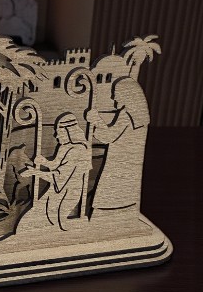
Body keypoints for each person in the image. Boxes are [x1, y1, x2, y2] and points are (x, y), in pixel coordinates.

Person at [85, 77, 150, 223]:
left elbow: (108, 136)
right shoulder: (139, 116)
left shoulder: (126, 115)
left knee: (110, 190)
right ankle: (122, 216)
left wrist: (95, 120)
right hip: (129, 162)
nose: (113, 97)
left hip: (118, 161)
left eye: (116, 93)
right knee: (124, 190)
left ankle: (103, 220)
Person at [17, 113, 91, 231]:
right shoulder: (64, 147)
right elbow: (55, 166)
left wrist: (36, 172)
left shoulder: (78, 150)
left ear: (69, 132)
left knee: (59, 222)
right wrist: (44, 161)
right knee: (31, 220)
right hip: (56, 190)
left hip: (69, 192)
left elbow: (59, 177)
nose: (56, 136)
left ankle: (83, 224)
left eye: (59, 132)